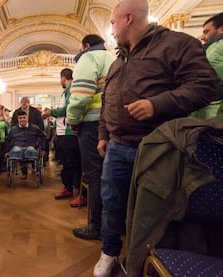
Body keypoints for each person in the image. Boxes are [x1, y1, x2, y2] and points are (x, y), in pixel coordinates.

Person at [94, 0, 217, 276]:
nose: (111, 30)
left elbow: (205, 84)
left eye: (113, 23)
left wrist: (157, 104)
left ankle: (143, 261)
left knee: (151, 212)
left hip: (158, 148)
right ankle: (110, 252)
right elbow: (107, 101)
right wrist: (103, 135)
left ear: (127, 18)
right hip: (117, 146)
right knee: (111, 203)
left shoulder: (176, 44)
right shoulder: (118, 60)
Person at [66, 34, 114, 241]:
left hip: (92, 123)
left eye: (80, 48)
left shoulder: (88, 57)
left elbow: (82, 96)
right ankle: (114, 223)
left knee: (94, 174)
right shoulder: (112, 58)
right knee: (111, 174)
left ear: (86, 46)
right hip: (111, 122)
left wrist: (73, 120)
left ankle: (96, 225)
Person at [43, 68, 82, 207]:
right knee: (66, 162)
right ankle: (68, 187)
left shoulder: (71, 89)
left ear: (63, 78)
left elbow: (68, 109)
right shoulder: (67, 90)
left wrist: (50, 112)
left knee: (74, 163)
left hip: (68, 133)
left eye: (60, 79)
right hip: (62, 133)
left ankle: (78, 191)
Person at [192, 12, 223, 118]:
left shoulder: (219, 46)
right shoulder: (211, 47)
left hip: (213, 106)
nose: (203, 37)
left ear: (221, 29)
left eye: (206, 32)